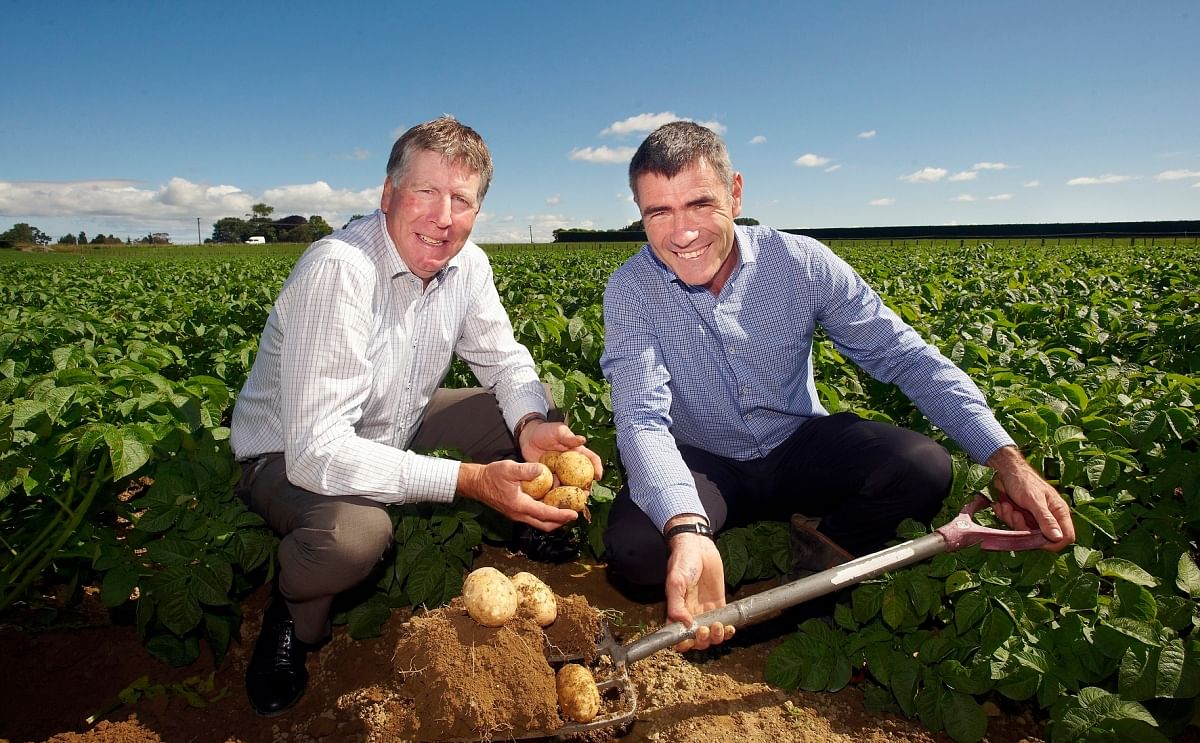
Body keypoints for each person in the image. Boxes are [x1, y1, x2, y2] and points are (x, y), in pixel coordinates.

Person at [599, 121, 1074, 653]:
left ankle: (817, 569)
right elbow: (641, 419)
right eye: (658, 212)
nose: (681, 233)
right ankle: (713, 549)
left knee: (921, 466)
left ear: (735, 193)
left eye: (699, 204)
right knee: (637, 550)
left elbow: (904, 355)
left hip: (796, 445)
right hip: (703, 462)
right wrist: (686, 528)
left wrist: (1008, 463)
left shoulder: (800, 264)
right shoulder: (631, 289)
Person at [230, 116, 601, 716]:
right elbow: (318, 451)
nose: (442, 216)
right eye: (425, 191)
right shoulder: (339, 270)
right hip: (287, 453)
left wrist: (534, 428)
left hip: (393, 419)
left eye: (462, 199)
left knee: (527, 405)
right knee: (355, 537)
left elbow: (506, 362)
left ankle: (529, 524)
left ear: (477, 210)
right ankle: (295, 614)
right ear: (388, 193)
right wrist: (471, 481)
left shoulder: (468, 266)